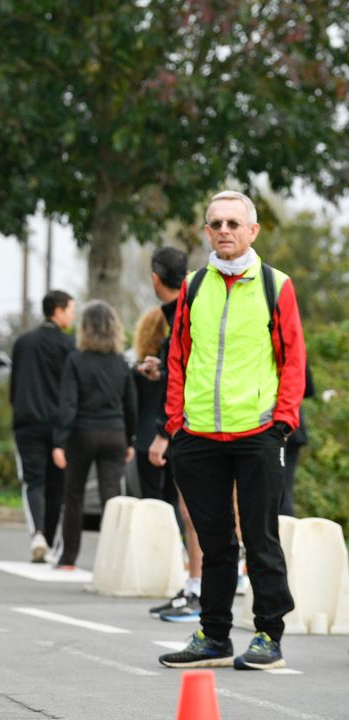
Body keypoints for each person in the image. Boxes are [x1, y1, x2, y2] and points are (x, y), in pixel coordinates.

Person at [157, 190, 305, 671]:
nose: (224, 230)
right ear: (206, 231)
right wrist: (176, 422)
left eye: (233, 223)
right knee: (215, 543)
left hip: (257, 432)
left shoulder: (275, 285)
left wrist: (283, 421)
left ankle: (267, 636)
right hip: (198, 435)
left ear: (252, 231)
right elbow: (178, 357)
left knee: (260, 539)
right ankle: (214, 636)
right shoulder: (194, 287)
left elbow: (293, 358)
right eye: (216, 223)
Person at [143, 246, 205, 623]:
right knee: (192, 510)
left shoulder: (188, 307)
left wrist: (163, 432)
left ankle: (202, 590)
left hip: (197, 422)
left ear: (155, 278)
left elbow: (187, 373)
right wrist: (163, 367)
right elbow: (178, 366)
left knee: (198, 510)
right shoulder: (183, 307)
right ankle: (196, 586)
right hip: (195, 420)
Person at [51, 300, 137, 570]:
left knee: (74, 495)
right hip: (115, 434)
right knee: (111, 498)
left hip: (83, 434)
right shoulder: (121, 363)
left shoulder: (76, 360)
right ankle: (114, 561)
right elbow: (130, 404)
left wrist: (59, 442)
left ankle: (68, 559)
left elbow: (68, 404)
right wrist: (130, 439)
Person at [9, 290, 76, 563]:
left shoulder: (23, 343)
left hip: (27, 422)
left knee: (33, 481)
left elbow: (14, 385)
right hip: (59, 426)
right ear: (58, 310)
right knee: (57, 485)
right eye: (71, 310)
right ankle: (48, 538)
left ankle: (37, 535)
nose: (73, 316)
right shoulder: (68, 345)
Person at [132, 307, 169, 500]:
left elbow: (132, 406)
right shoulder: (175, 367)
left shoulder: (139, 370)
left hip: (145, 437)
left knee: (150, 498)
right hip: (173, 434)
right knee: (174, 498)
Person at [281, 362, 314, 516]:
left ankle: (284, 529)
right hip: (288, 428)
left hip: (282, 428)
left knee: (280, 491)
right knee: (283, 490)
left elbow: (308, 388)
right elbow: (308, 388)